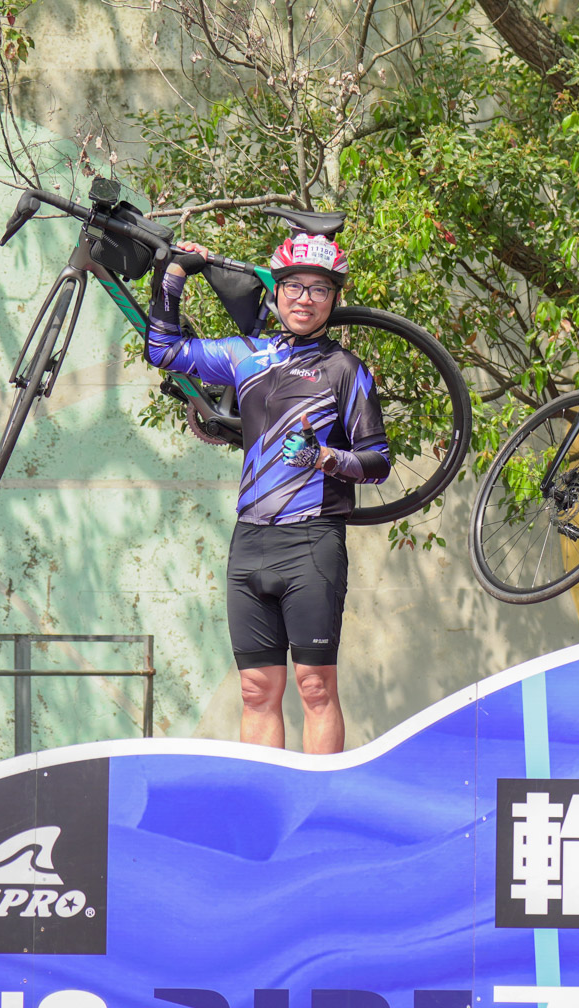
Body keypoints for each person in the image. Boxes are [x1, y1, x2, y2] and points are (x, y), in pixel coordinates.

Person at [144, 228, 391, 754]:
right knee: (256, 690)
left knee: (315, 686)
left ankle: (319, 796)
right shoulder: (245, 355)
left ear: (334, 300)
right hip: (250, 542)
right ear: (276, 291)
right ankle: (264, 798)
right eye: (294, 286)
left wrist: (325, 458)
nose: (305, 299)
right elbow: (162, 350)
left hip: (312, 541)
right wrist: (177, 273)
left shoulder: (345, 370)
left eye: (319, 289)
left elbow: (378, 463)